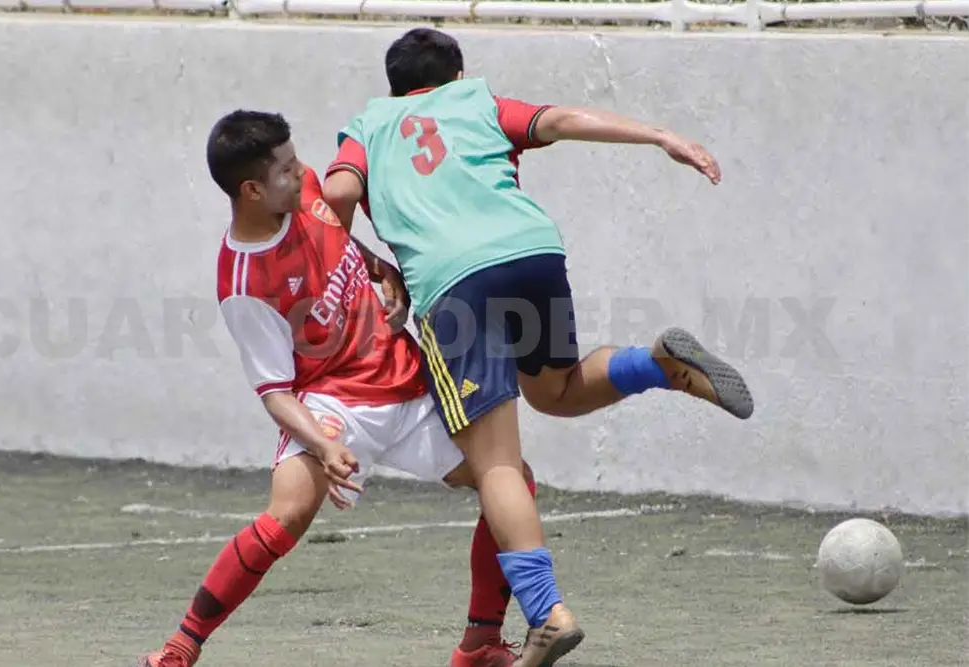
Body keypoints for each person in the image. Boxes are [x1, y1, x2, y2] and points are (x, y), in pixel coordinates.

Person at [321, 27, 756, 667]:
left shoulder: (371, 123)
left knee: (496, 463)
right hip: (532, 253)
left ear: (395, 84)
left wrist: (370, 263)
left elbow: (335, 196)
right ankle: (658, 364)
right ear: (456, 73)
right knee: (554, 390)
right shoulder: (478, 102)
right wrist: (661, 135)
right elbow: (563, 119)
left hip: (453, 283)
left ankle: (546, 612)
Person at [137, 109, 537, 667]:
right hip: (333, 406)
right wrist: (325, 448)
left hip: (406, 384)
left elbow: (344, 242)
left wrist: (383, 271)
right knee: (284, 519)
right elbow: (275, 392)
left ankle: (480, 642)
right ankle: (181, 647)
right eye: (285, 168)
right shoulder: (244, 284)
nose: (303, 171)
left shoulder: (306, 190)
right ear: (251, 190)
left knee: (510, 482)